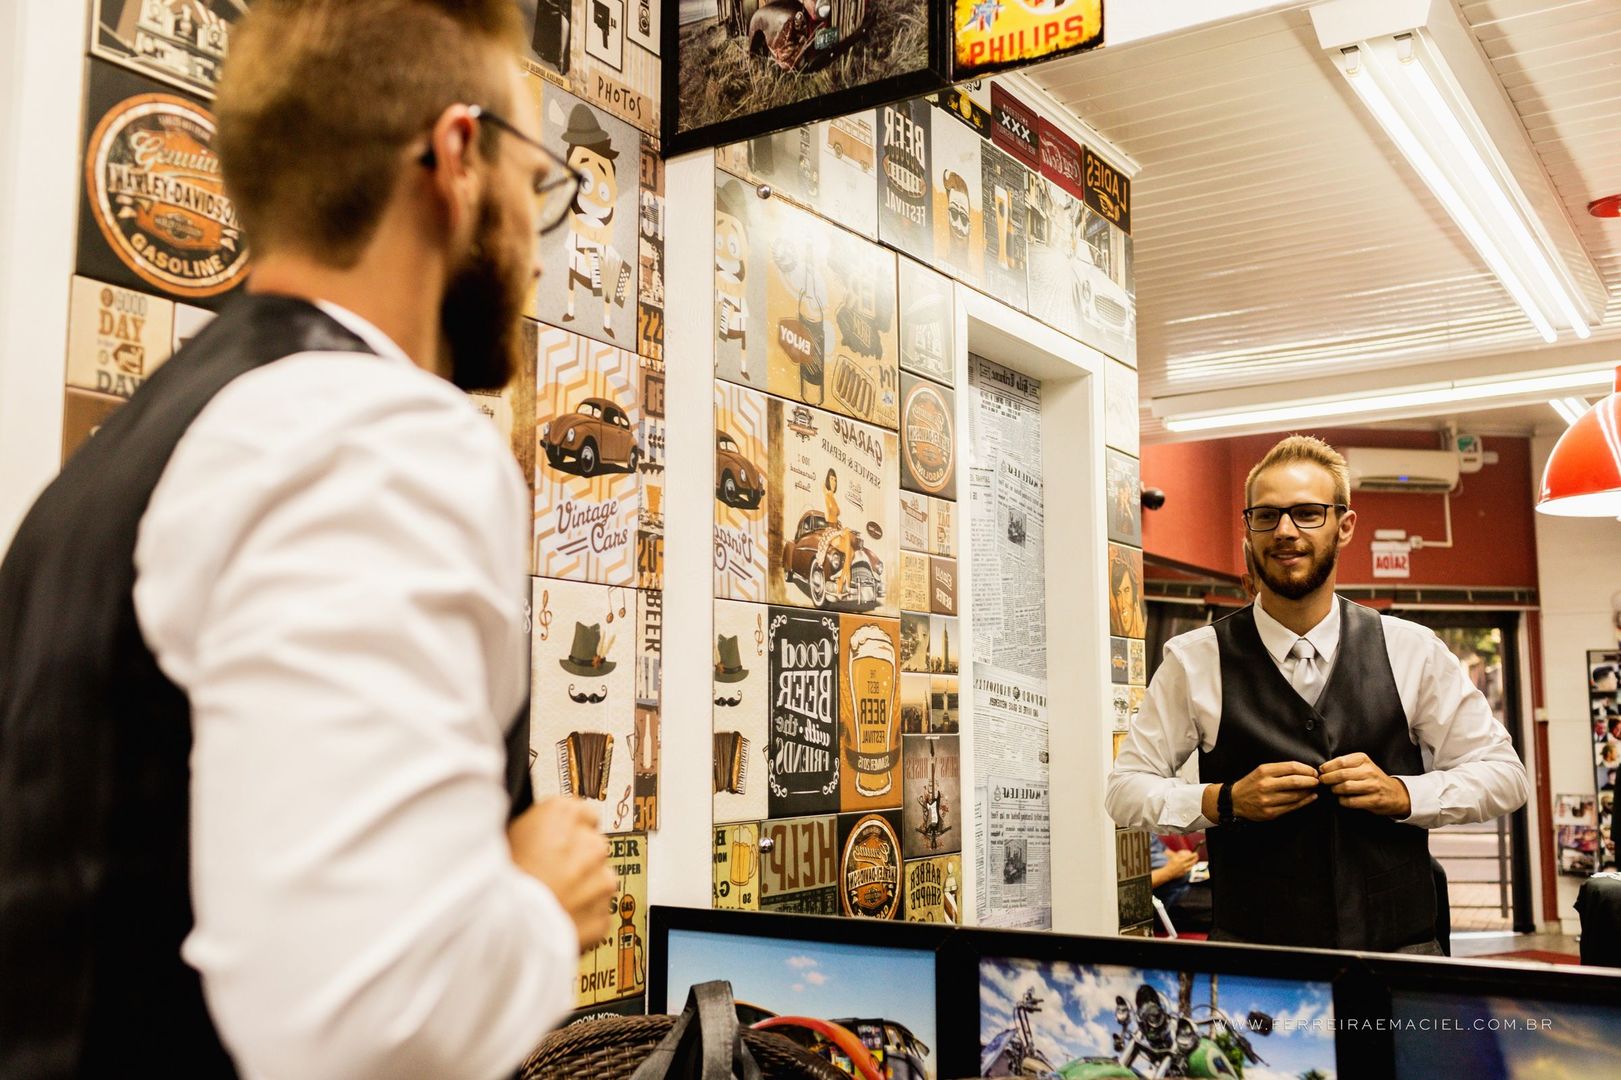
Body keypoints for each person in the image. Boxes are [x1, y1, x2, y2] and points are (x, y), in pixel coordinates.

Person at [0, 2, 618, 1076]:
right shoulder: (367, 431)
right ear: (458, 155)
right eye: (535, 178)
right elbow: (365, 1022)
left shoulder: (99, 483)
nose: (532, 234)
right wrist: (534, 905)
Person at [1107, 435, 1528, 953]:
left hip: (1398, 955)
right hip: (1258, 965)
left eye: (1307, 513)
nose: (1286, 531)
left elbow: (1505, 777)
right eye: (1267, 515)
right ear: (1249, 528)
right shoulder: (1194, 660)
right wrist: (1224, 800)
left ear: (1344, 525)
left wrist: (1404, 794)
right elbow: (1124, 791)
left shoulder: (1411, 650)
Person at [1148, 835, 1212, 934]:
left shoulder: (1141, 828)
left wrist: (1182, 858)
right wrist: (1170, 871)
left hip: (1185, 883)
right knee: (1229, 909)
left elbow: (1165, 852)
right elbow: (1127, 886)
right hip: (1166, 899)